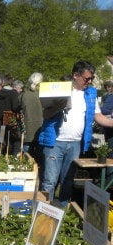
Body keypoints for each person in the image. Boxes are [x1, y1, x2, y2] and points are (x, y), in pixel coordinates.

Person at [39, 60, 113, 206]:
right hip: (56, 142)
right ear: (75, 75)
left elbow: (98, 117)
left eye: (91, 78)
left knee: (68, 180)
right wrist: (58, 107)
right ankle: (44, 214)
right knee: (50, 180)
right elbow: (46, 114)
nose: (90, 81)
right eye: (87, 78)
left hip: (75, 144)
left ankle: (64, 209)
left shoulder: (90, 94)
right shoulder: (61, 90)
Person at [20, 72, 43, 161]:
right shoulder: (43, 94)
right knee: (40, 159)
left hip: (28, 128)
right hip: (40, 128)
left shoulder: (24, 94)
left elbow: (18, 107)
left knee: (26, 158)